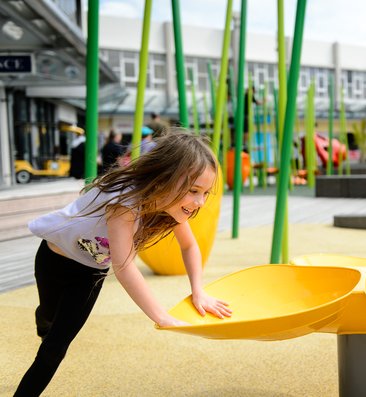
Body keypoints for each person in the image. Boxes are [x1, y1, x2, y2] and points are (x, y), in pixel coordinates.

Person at [14, 132, 232, 396]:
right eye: (194, 191)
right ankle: (44, 316)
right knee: (48, 316)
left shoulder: (167, 203)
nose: (200, 202)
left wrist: (199, 290)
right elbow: (125, 266)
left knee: (54, 347)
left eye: (206, 192)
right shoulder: (124, 202)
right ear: (165, 178)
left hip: (89, 273)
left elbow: (189, 245)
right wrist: (161, 316)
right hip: (53, 258)